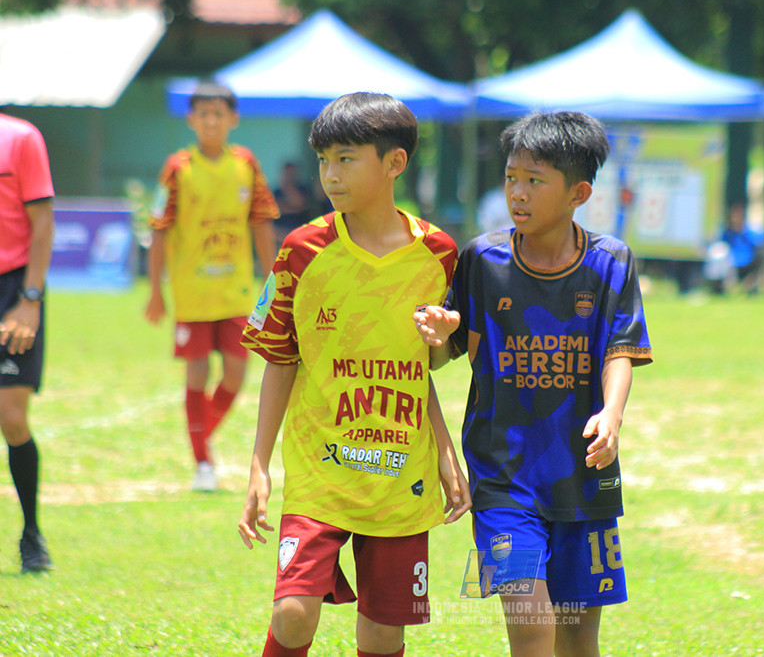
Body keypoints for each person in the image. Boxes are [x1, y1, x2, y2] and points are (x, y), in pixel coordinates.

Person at [237, 92, 471, 657]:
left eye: (345, 159)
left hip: (398, 473)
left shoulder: (439, 254)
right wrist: (259, 464)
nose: (330, 175)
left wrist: (444, 451)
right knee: (293, 615)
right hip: (320, 469)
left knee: (384, 633)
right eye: (323, 160)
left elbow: (422, 366)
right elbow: (280, 360)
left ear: (395, 163)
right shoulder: (302, 250)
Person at [414, 111, 653, 657]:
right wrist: (440, 334)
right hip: (502, 478)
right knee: (530, 624)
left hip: (584, 477)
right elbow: (442, 356)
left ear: (578, 193)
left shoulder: (610, 261)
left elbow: (620, 349)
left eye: (534, 180)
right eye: (510, 177)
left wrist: (612, 414)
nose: (516, 193)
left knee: (577, 635)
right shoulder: (483, 259)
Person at [144, 81, 279, 491]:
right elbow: (159, 229)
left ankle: (201, 435)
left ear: (233, 119)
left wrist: (273, 278)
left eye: (218, 113)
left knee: (237, 374)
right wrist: (155, 291)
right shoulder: (177, 168)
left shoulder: (246, 164)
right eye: (203, 114)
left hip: (236, 291)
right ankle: (202, 462)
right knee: (197, 373)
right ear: (191, 120)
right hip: (192, 293)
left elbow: (261, 221)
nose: (211, 121)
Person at [0, 112, 56, 573]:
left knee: (12, 418)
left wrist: (30, 299)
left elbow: (42, 222)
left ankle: (31, 533)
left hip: (13, 290)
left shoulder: (21, 138)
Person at [719, 200, 764, 294]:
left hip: (748, 261)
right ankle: (720, 287)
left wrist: (742, 230)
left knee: (760, 256)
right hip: (731, 262)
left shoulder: (749, 231)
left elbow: (758, 241)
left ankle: (751, 285)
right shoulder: (727, 233)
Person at [273, 161, 316, 243]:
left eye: (291, 173)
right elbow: (275, 210)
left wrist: (289, 188)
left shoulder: (303, 189)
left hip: (299, 228)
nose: (289, 176)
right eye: (287, 173)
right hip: (281, 231)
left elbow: (299, 204)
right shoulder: (277, 192)